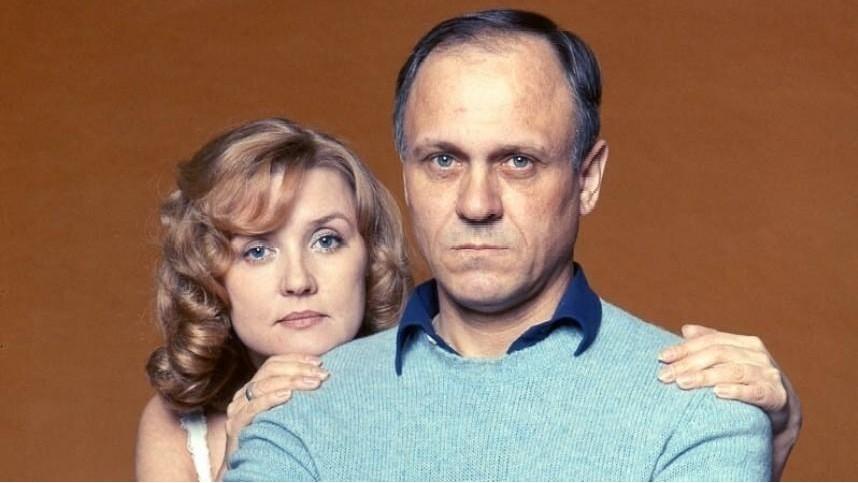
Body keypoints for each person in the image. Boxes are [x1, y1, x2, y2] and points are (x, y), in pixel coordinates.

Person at [225, 10, 798, 481]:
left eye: (518, 161)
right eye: (443, 160)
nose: (477, 204)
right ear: (407, 177)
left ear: (587, 178)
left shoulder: (700, 406)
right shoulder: (295, 413)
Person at [134, 118, 412, 481]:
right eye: (257, 251)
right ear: (208, 274)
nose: (298, 281)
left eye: (326, 240)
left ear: (370, 256)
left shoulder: (427, 389)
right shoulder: (179, 428)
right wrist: (241, 458)